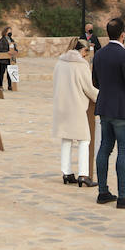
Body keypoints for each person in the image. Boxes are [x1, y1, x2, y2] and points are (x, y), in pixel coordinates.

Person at [92, 17, 125, 209]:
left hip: (105, 107)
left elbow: (95, 83)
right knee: (124, 151)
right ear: (124, 33)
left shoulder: (99, 54)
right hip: (123, 109)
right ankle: (124, 195)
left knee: (105, 147)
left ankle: (103, 191)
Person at [52, 38, 98, 186]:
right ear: (82, 50)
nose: (86, 55)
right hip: (76, 107)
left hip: (61, 106)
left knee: (66, 138)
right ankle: (83, 174)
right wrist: (103, 97)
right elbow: (89, 89)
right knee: (84, 140)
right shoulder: (81, 65)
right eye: (86, 51)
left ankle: (66, 173)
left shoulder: (60, 63)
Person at [0, 26, 17, 91]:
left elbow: (15, 48)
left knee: (9, 73)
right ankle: (1, 85)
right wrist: (8, 52)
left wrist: (16, 51)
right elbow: (0, 49)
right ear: (5, 32)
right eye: (9, 31)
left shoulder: (12, 40)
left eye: (11, 31)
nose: (10, 32)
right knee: (2, 72)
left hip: (10, 60)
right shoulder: (1, 40)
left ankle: (10, 86)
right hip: (3, 60)